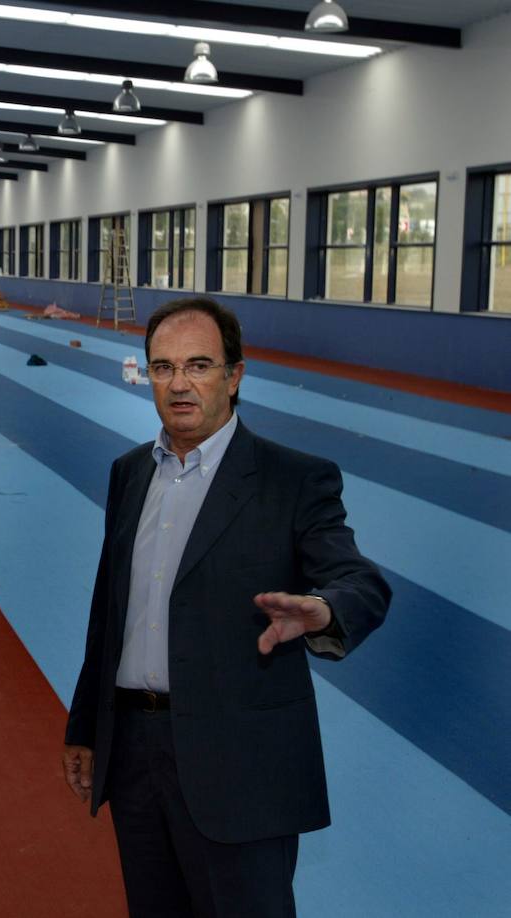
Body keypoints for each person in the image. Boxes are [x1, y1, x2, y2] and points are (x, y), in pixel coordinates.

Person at [62, 296, 391, 918]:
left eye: (199, 365)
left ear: (235, 375)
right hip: (135, 751)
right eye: (162, 368)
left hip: (241, 761)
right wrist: (86, 726)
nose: (179, 384)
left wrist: (322, 608)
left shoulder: (294, 479)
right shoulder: (129, 473)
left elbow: (358, 579)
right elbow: (108, 615)